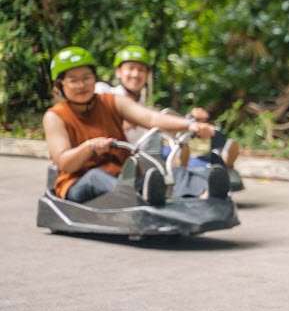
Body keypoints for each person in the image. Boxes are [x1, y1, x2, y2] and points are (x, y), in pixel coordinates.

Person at [43, 46, 229, 206]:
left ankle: (204, 193)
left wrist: (190, 125)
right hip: (77, 183)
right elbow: (64, 162)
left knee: (171, 172)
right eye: (73, 80)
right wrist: (89, 147)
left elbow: (151, 118)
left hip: (123, 177)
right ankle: (146, 200)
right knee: (96, 177)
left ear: (94, 78)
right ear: (59, 86)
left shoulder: (112, 101)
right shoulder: (55, 116)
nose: (82, 85)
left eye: (86, 78)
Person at [94, 45, 240, 169]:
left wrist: (192, 120)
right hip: (124, 157)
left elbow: (157, 119)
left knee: (198, 156)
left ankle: (220, 161)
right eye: (130, 68)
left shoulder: (144, 106)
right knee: (170, 155)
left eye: (141, 70)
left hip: (149, 151)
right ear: (118, 71)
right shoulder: (105, 93)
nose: (135, 74)